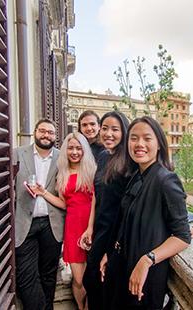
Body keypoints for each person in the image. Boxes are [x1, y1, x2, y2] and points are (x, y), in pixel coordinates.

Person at [102, 116, 191, 309]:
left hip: (144, 278)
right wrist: (110, 252)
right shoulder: (137, 175)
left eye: (147, 138)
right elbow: (127, 221)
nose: (139, 144)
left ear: (159, 144)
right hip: (123, 266)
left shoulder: (166, 181)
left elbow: (183, 236)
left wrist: (147, 259)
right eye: (133, 138)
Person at [32, 132, 97, 310]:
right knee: (78, 279)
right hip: (73, 226)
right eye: (70, 148)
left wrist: (90, 227)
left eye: (78, 148)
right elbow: (64, 203)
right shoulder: (62, 173)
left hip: (91, 225)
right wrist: (44, 193)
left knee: (92, 276)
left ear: (84, 150)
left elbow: (96, 201)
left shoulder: (92, 171)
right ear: (65, 150)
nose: (74, 152)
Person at [13, 119, 64, 310]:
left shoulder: (62, 158)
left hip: (52, 224)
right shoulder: (18, 153)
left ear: (55, 136)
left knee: (48, 275)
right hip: (25, 222)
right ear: (35, 132)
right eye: (42, 131)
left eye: (50, 132)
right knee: (26, 276)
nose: (46, 135)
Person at [83, 111, 132, 310]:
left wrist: (112, 250)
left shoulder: (129, 162)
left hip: (115, 234)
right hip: (99, 230)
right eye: (105, 128)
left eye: (115, 129)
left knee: (103, 286)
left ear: (124, 132)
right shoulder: (102, 156)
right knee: (91, 282)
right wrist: (89, 228)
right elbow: (96, 194)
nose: (108, 133)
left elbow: (133, 207)